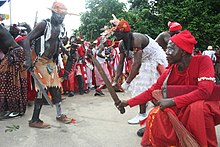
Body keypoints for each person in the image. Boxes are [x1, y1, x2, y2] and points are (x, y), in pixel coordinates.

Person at [118, 30, 220, 147]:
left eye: (171, 49)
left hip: (207, 104)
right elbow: (152, 91)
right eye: (167, 48)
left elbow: (204, 92)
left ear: (182, 51)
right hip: (183, 104)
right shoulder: (171, 70)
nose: (166, 52)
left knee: (197, 109)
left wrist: (172, 101)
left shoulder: (203, 61)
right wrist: (128, 102)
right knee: (156, 114)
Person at [110, 16, 168, 125]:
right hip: (144, 60)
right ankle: (143, 113)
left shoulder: (136, 39)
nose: (115, 35)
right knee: (142, 85)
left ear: (124, 33)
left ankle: (144, 114)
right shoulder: (122, 44)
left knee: (144, 84)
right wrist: (115, 79)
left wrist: (127, 82)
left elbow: (137, 64)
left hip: (155, 58)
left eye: (117, 33)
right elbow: (121, 63)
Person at [23, 1, 71, 128]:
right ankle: (34, 120)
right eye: (59, 15)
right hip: (39, 61)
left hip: (50, 62)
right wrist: (28, 59)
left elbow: (56, 41)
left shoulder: (60, 27)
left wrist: (64, 49)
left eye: (63, 16)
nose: (61, 18)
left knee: (55, 87)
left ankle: (59, 114)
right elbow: (27, 40)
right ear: (53, 12)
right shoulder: (44, 24)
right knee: (41, 90)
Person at [0, 24, 27, 119]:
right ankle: (10, 108)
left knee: (11, 82)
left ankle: (14, 109)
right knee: (8, 81)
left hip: (14, 53)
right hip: (12, 53)